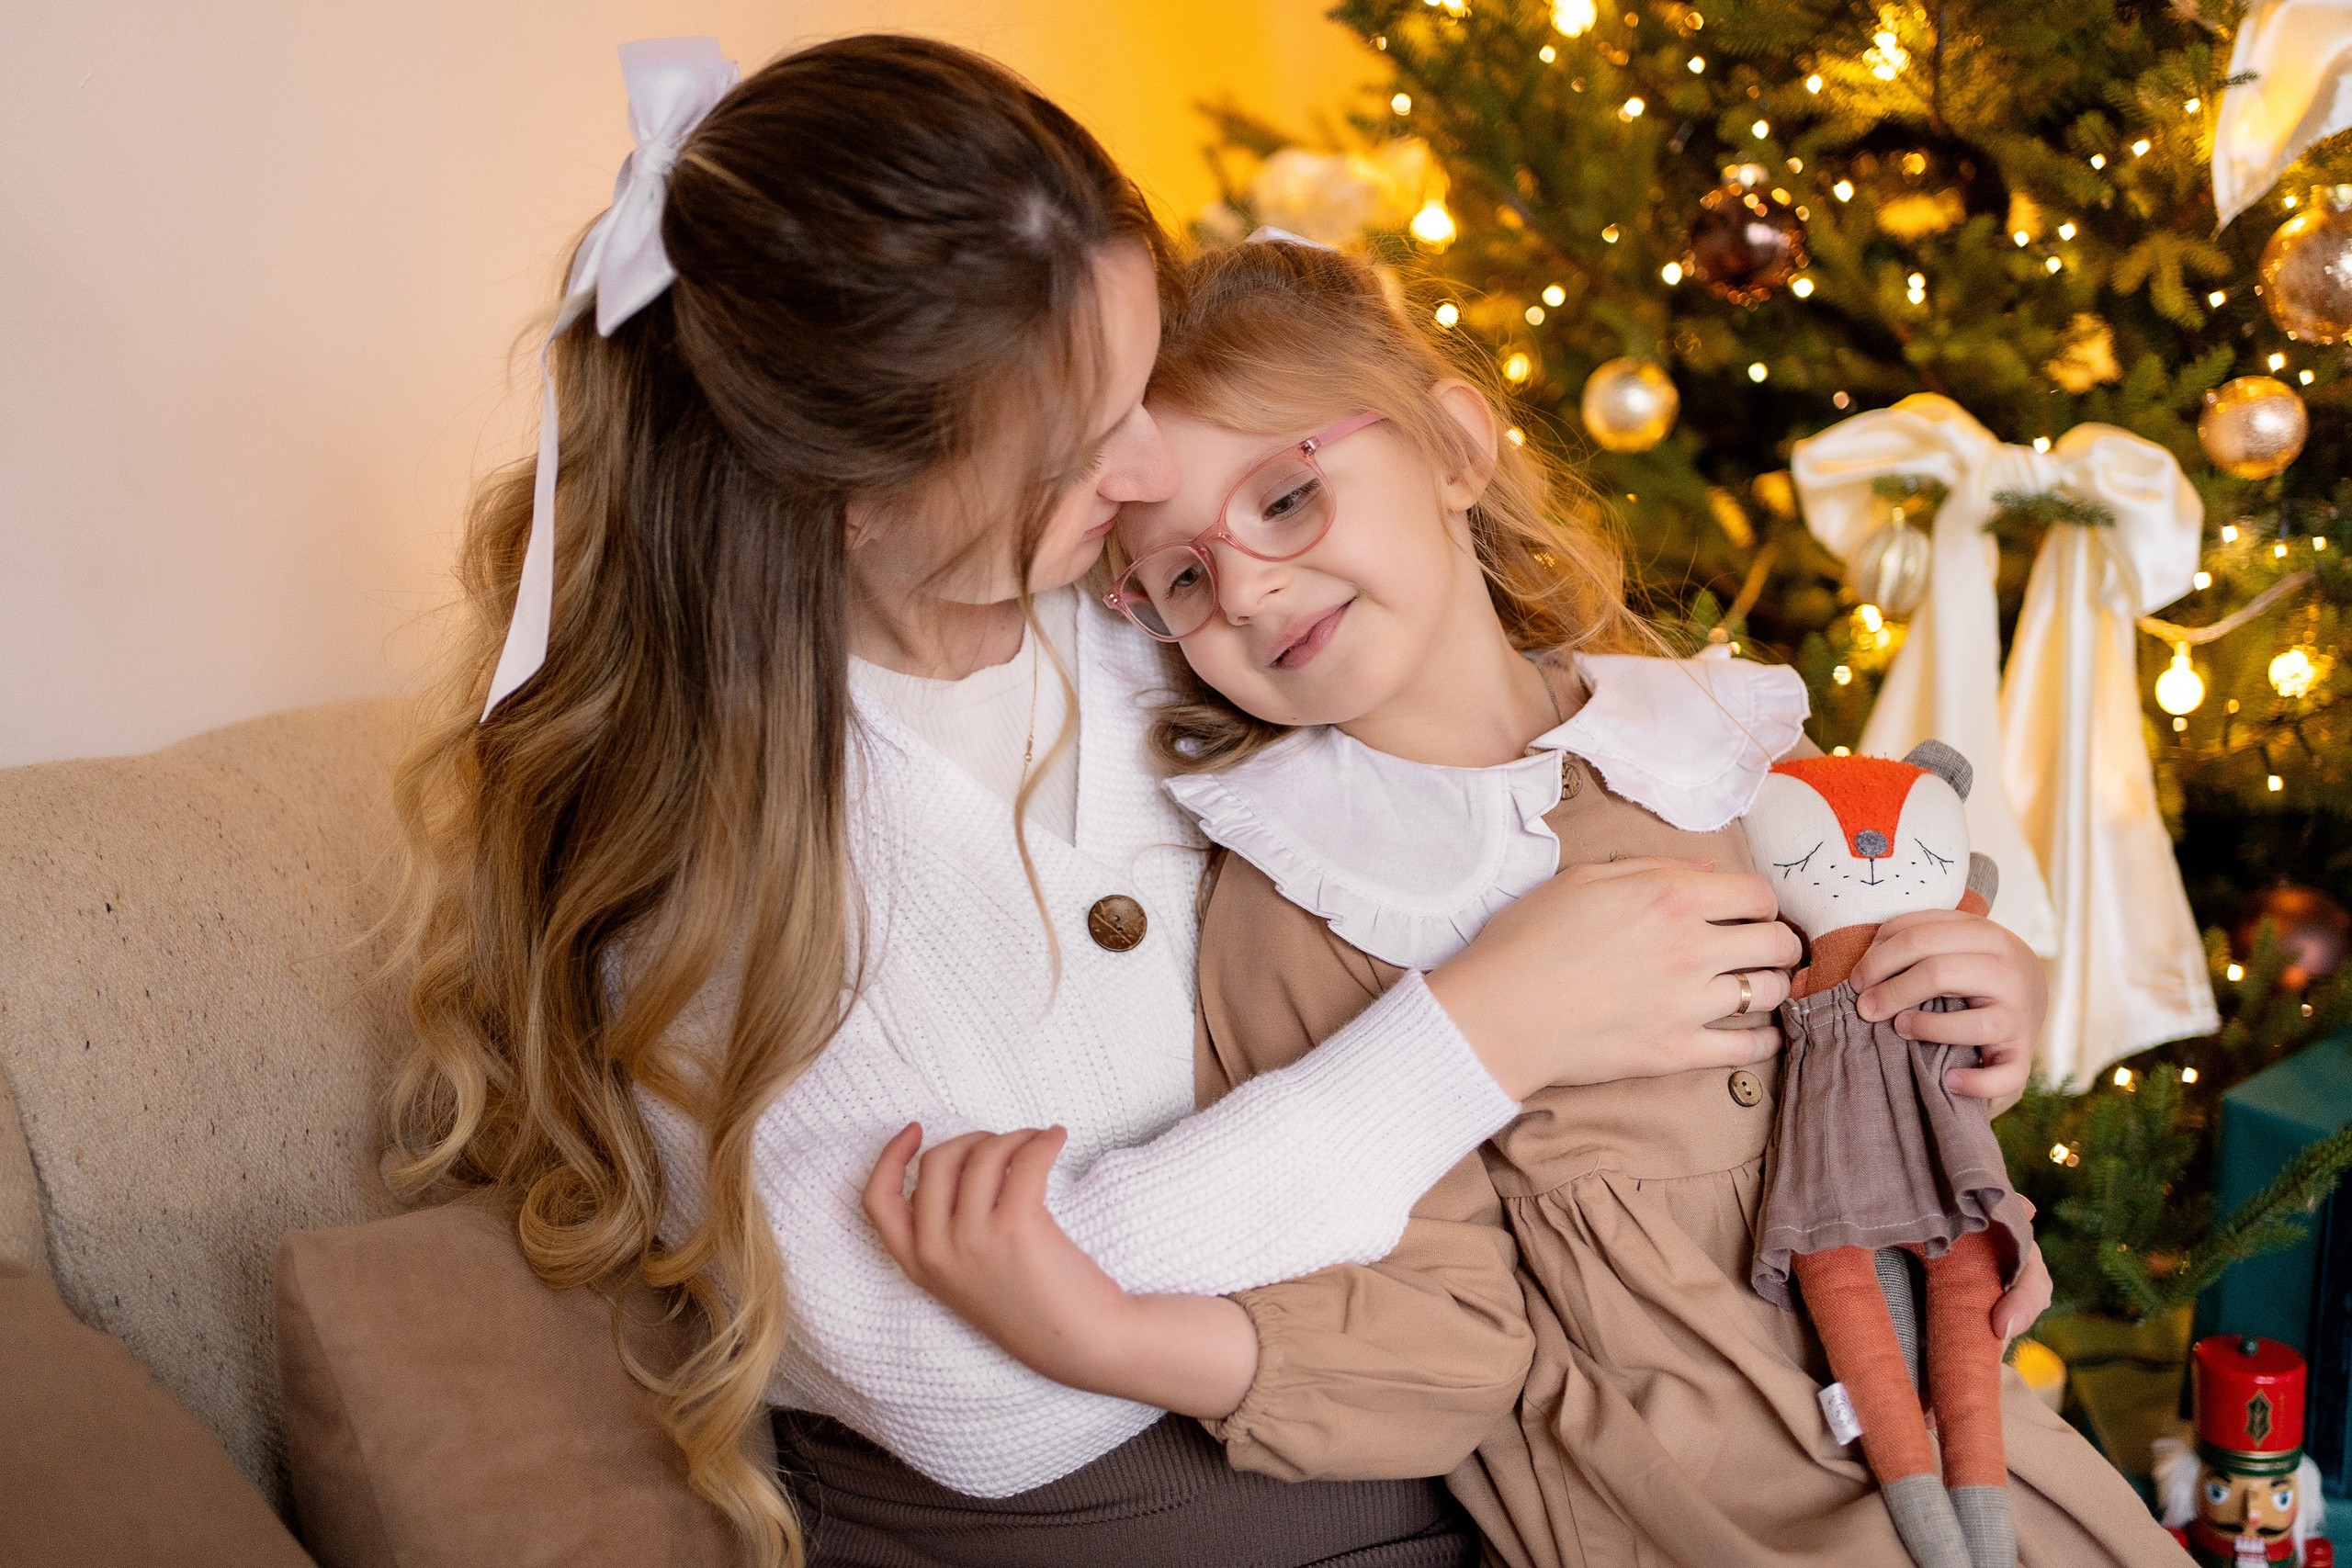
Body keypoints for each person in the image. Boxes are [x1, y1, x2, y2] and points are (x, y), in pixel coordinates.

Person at [385, 34, 1875, 1568]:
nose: (1154, 460)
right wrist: (1469, 1042)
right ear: (860, 503)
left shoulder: (1174, 612)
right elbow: (968, 1393)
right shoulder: (714, 861)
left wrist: (1903, 1005)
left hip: (1504, 1450)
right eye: (1086, 435)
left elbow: (1572, 779)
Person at [865, 238, 2178, 1567]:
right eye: (1184, 581)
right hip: (1690, 1517)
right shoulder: (1304, 909)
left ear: (1451, 450)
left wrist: (1983, 997)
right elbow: (1444, 1343)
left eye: (1284, 500)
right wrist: (1100, 1334)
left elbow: (1892, 1047)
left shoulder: (1717, 745)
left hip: (1980, 1452)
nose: (1248, 588)